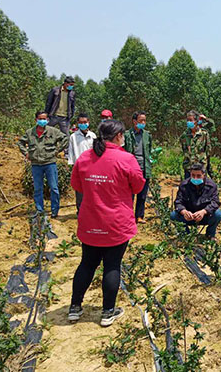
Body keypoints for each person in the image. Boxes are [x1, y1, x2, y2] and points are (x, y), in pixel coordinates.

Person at [68, 119, 145, 326]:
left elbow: (77, 185)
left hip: (90, 221)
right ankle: (107, 312)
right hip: (116, 224)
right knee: (112, 265)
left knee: (87, 263)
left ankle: (75, 307)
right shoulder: (126, 159)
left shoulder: (85, 158)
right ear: (119, 136)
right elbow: (138, 186)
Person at [18, 110, 68, 218]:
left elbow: (65, 138)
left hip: (50, 163)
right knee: (38, 188)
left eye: (44, 119)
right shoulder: (29, 132)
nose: (42, 121)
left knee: (54, 188)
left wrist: (57, 150)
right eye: (40, 119)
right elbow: (21, 142)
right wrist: (26, 153)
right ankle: (39, 210)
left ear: (48, 120)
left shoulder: (53, 131)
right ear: (36, 120)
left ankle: (55, 211)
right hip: (36, 164)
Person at [170, 163, 221, 241]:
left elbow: (215, 202)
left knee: (218, 214)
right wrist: (184, 212)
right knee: (173, 215)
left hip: (204, 216)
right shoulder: (184, 185)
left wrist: (204, 211)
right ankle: (186, 235)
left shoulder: (211, 185)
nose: (195, 178)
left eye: (198, 176)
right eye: (193, 175)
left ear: (204, 175)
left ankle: (210, 235)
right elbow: (178, 202)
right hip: (188, 217)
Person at [123, 111, 153, 223]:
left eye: (144, 121)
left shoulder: (147, 135)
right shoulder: (127, 135)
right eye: (141, 121)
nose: (143, 123)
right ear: (134, 121)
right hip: (130, 169)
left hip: (144, 168)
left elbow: (148, 150)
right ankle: (128, 216)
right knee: (129, 195)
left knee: (142, 194)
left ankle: (139, 216)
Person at [68, 113, 96, 212]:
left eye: (85, 122)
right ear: (77, 123)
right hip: (78, 166)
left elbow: (95, 151)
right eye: (81, 122)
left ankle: (91, 210)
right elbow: (71, 151)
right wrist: (71, 164)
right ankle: (80, 210)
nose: (83, 124)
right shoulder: (74, 137)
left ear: (88, 123)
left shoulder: (92, 136)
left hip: (91, 166)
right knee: (79, 189)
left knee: (91, 189)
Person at [180, 110, 211, 179]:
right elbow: (184, 150)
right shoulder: (184, 135)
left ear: (196, 121)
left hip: (201, 167)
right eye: (187, 120)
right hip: (189, 167)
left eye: (191, 120)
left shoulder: (203, 134)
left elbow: (208, 150)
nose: (189, 122)